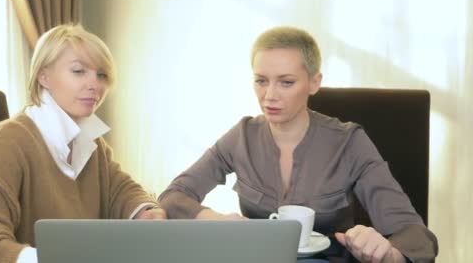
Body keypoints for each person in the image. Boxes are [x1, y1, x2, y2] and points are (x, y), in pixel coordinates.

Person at [158, 26, 438, 263]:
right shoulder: (241, 136)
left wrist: (387, 253)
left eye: (286, 82)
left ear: (314, 83)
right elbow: (173, 196)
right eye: (261, 81)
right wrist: (214, 220)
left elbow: (416, 236)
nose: (269, 96)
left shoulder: (349, 142)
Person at [0, 24, 166, 263]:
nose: (95, 84)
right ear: (44, 76)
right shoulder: (9, 139)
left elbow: (121, 190)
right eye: (79, 71)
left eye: (101, 74)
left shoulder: (93, 144)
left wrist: (145, 211)